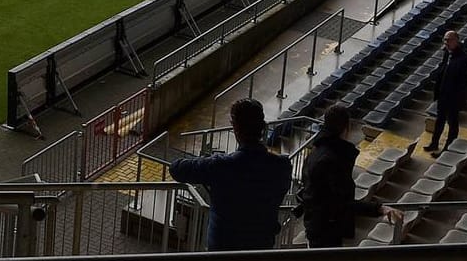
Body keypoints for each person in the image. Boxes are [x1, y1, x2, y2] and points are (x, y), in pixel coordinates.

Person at [169, 98, 292, 251]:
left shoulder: (221, 165)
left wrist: (210, 160)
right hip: (261, 246)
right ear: (262, 127)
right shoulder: (282, 166)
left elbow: (176, 168)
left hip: (223, 248)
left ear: (236, 128)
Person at [297, 104, 402, 247]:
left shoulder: (315, 154)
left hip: (317, 223)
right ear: (347, 128)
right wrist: (379, 208)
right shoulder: (334, 161)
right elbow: (342, 202)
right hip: (327, 227)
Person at [425, 29, 467, 153]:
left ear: (456, 41)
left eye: (449, 40)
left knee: (452, 124)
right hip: (442, 95)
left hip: (453, 99)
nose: (446, 42)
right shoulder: (447, 53)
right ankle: (434, 143)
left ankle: (447, 149)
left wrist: (459, 98)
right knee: (439, 121)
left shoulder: (464, 59)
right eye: (445, 39)